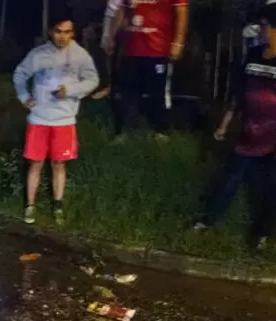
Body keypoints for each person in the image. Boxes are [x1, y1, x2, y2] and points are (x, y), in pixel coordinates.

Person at [194, 2, 276, 250]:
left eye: (265, 25)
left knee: (270, 187)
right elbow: (239, 93)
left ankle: (262, 234)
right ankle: (207, 222)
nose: (260, 30)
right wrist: (225, 124)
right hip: (248, 133)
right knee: (229, 178)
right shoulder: (254, 54)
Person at [13, 15, 99, 226]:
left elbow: (92, 80)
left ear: (73, 33)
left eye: (68, 32)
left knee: (59, 164)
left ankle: (58, 205)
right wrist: (24, 96)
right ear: (51, 31)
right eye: (59, 31)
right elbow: (20, 74)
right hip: (39, 118)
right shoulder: (39, 54)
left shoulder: (80, 55)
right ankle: (30, 205)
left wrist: (70, 90)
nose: (63, 36)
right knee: (36, 163)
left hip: (65, 120)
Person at [106, 0, 188, 139]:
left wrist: (178, 41)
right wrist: (111, 35)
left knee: (158, 92)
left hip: (158, 49)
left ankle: (160, 130)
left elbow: (181, 12)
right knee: (128, 91)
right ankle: (124, 130)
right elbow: (122, 11)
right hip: (132, 49)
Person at [91, 0, 123, 100]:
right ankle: (111, 86)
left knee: (122, 51)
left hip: (127, 12)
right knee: (108, 49)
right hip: (110, 11)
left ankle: (119, 87)